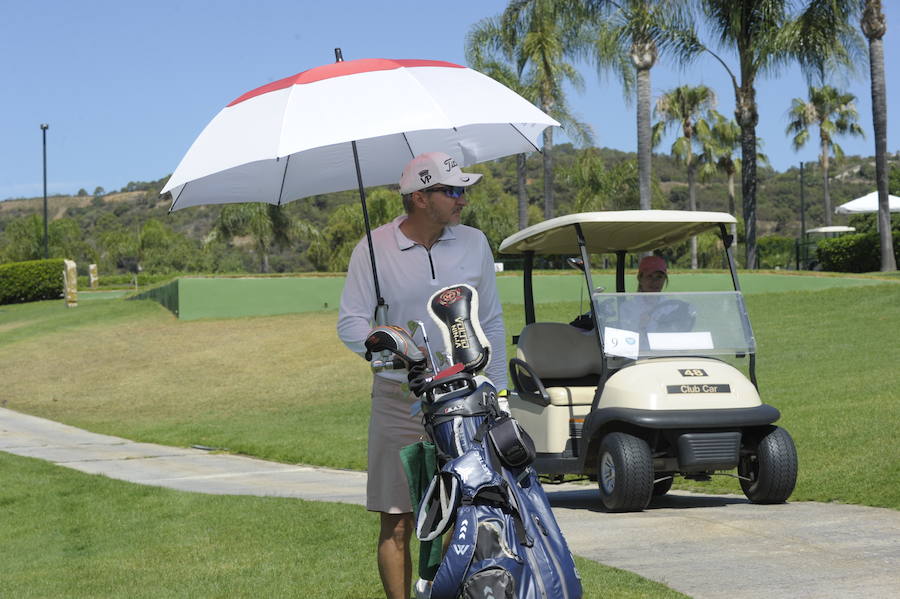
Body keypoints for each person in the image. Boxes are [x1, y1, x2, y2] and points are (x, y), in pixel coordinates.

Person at [337, 151, 508, 599]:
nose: (462, 200)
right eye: (452, 191)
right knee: (397, 519)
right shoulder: (372, 249)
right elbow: (350, 324)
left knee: (466, 512)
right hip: (399, 400)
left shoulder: (475, 242)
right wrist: (383, 341)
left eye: (463, 191)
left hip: (466, 400)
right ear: (419, 197)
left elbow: (490, 320)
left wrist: (499, 388)